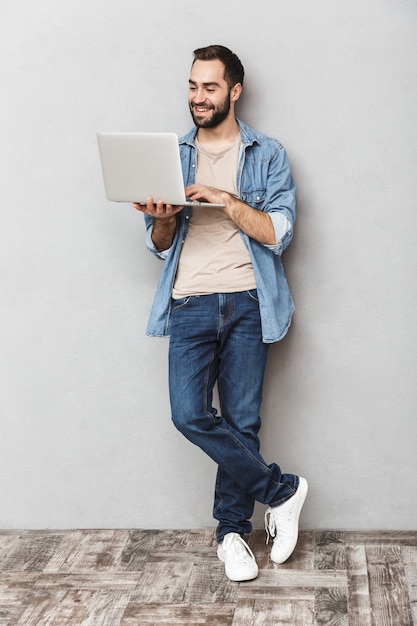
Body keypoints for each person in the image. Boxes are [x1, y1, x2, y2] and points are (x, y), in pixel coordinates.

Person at [133, 44, 307, 582]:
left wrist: (223, 198)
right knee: (188, 414)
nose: (197, 97)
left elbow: (278, 232)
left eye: (209, 87)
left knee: (242, 422)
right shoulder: (173, 153)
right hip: (189, 300)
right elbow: (160, 244)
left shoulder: (268, 153)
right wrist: (163, 218)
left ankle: (232, 534)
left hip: (250, 300)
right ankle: (282, 491)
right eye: (192, 86)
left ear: (234, 91)